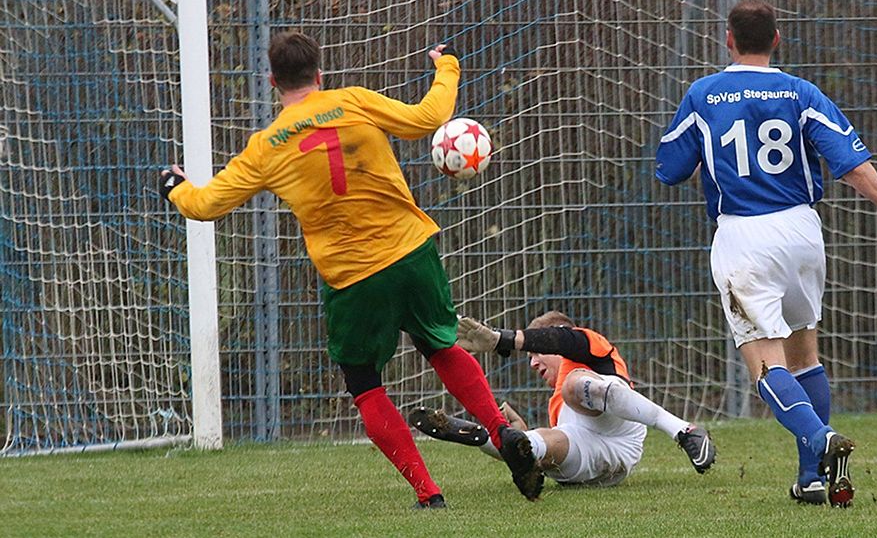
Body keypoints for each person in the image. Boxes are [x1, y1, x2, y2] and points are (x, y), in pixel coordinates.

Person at [159, 31, 544, 507]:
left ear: (272, 81)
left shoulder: (266, 147)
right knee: (440, 345)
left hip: (354, 278)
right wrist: (447, 67)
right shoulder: (353, 102)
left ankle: (429, 494)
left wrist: (175, 186)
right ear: (319, 74)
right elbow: (429, 117)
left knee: (365, 386)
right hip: (412, 252)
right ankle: (502, 432)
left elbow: (207, 205)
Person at [654, 0, 877, 508]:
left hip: (744, 237)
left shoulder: (702, 95)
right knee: (806, 355)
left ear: (728, 40)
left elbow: (671, 167)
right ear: (777, 39)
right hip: (803, 232)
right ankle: (811, 480)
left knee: (765, 367)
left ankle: (819, 437)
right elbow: (851, 164)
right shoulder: (800, 92)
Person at [410, 311, 716, 488]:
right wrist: (520, 438)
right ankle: (492, 438)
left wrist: (503, 339)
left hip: (620, 426)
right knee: (545, 442)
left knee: (574, 385)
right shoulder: (554, 404)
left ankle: (684, 430)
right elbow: (558, 449)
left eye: (536, 353)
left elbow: (565, 339)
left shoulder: (590, 348)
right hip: (601, 468)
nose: (531, 363)